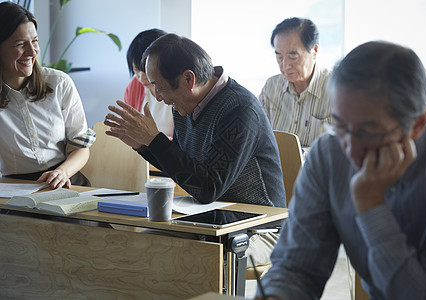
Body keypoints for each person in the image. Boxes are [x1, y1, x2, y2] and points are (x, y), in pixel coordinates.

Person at [256, 41, 426, 299]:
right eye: (340, 126)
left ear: (418, 123)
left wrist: (371, 206)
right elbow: (297, 268)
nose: (350, 150)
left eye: (368, 132)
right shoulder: (329, 154)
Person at [104, 33, 286, 266]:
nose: (157, 97)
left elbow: (208, 186)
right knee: (136, 249)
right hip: (211, 222)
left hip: (258, 229)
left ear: (188, 79)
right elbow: (185, 168)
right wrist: (145, 145)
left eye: (158, 86)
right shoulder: (184, 105)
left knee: (186, 261)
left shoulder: (240, 109)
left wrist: (154, 140)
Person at [0, 2, 95, 188]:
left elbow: (81, 149)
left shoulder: (59, 83)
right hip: (14, 188)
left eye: (35, 41)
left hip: (65, 181)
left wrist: (62, 172)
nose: (32, 51)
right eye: (20, 44)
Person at [259, 17, 331, 153]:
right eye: (279, 57)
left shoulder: (337, 89)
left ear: (314, 51)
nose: (285, 65)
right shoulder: (271, 87)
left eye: (293, 56)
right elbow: (258, 137)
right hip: (278, 171)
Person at [124, 28, 174, 138]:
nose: (141, 77)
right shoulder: (134, 86)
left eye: (145, 71)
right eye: (136, 70)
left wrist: (153, 141)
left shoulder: (178, 89)